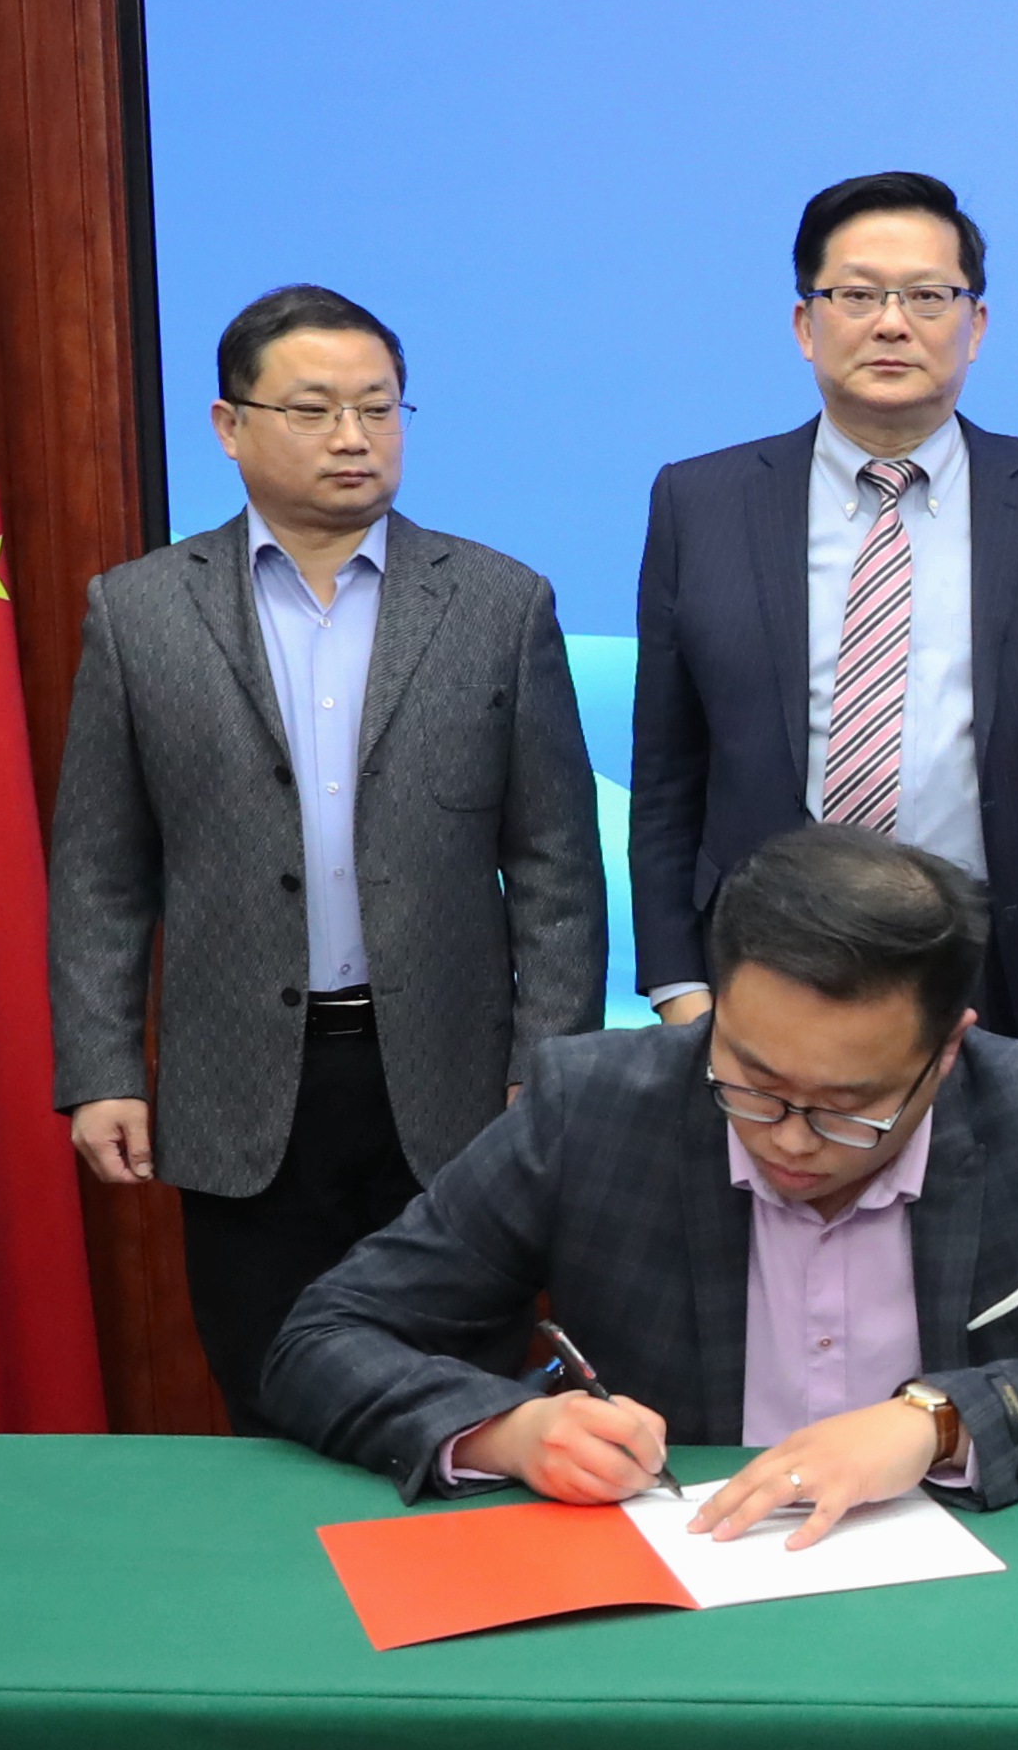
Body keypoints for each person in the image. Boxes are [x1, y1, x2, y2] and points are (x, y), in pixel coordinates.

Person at [268, 825, 1018, 1531]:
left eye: (847, 1106)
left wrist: (938, 1422)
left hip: (954, 1576)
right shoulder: (593, 1106)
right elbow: (324, 1337)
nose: (790, 1139)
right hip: (677, 1571)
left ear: (948, 1051)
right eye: (752, 1083)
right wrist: (504, 1431)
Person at [48, 282, 603, 1427]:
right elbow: (101, 870)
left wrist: (546, 1063)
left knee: (471, 1398)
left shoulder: (497, 603)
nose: (353, 436)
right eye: (313, 409)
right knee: (269, 1397)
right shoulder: (139, 613)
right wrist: (102, 1067)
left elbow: (555, 864)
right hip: (244, 1082)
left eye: (377, 407)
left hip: (452, 1084)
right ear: (229, 425)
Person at [629, 171, 1018, 1071]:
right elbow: (667, 773)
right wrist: (676, 977)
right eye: (857, 295)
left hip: (1006, 955)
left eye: (926, 296)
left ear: (974, 326)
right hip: (768, 952)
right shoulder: (700, 502)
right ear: (805, 325)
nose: (891, 323)